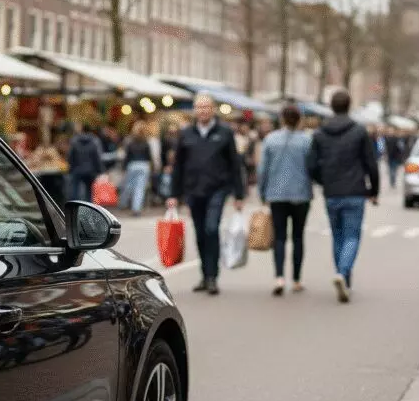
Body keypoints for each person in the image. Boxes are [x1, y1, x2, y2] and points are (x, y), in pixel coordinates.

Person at [168, 93, 246, 296]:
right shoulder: (186, 134)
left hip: (217, 189)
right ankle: (204, 275)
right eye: (199, 107)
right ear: (195, 110)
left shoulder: (225, 133)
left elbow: (235, 165)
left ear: (213, 109)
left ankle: (213, 276)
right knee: (201, 233)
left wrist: (239, 194)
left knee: (212, 229)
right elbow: (178, 166)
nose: (203, 111)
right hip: (194, 190)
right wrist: (173, 194)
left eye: (206, 107)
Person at [307, 90, 379, 303]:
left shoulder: (320, 133)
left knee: (337, 236)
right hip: (355, 191)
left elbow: (311, 165)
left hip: (332, 192)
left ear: (331, 106)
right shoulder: (359, 132)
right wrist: (374, 190)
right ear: (350, 105)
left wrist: (323, 181)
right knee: (352, 236)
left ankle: (344, 278)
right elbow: (370, 163)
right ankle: (343, 272)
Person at [257, 106, 312, 296]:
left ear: (281, 119)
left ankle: (279, 277)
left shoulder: (270, 140)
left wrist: (262, 192)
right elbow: (312, 167)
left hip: (276, 194)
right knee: (298, 236)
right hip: (301, 194)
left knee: (279, 237)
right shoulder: (306, 141)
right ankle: (296, 279)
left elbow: (262, 169)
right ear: (299, 120)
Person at [119, 121, 153, 217]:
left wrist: (124, 167)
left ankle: (123, 204)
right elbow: (149, 156)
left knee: (128, 186)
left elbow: (127, 155)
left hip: (132, 165)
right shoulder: (146, 141)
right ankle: (136, 209)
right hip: (144, 165)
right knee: (140, 188)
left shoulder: (130, 141)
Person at [66, 123, 104, 201]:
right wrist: (100, 170)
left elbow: (70, 156)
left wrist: (71, 167)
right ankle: (88, 208)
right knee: (89, 192)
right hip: (91, 171)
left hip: (77, 170)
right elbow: (97, 157)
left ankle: (75, 208)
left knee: (75, 191)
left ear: (82, 129)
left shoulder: (75, 140)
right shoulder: (95, 141)